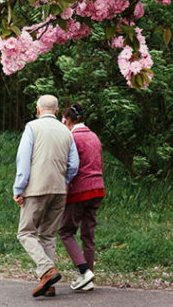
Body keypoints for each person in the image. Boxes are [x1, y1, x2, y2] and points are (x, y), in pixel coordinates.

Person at [13, 94, 79, 298]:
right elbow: (74, 165)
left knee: (25, 233)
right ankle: (49, 285)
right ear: (57, 111)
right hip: (59, 189)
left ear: (37, 109)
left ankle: (47, 269)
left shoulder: (32, 127)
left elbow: (23, 160)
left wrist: (19, 188)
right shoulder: (67, 132)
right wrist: (62, 179)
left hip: (36, 188)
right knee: (48, 235)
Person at [58, 103, 105, 293]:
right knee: (88, 234)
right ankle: (89, 277)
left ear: (68, 120)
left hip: (79, 190)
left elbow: (70, 165)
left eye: (63, 121)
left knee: (65, 231)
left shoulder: (71, 138)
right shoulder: (94, 136)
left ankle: (84, 271)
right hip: (97, 188)